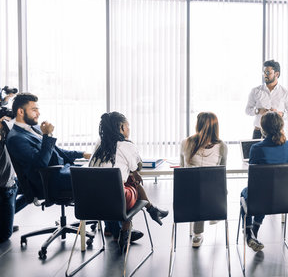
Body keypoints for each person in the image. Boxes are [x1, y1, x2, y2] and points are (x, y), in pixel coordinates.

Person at [89, 112, 168, 251]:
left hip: (92, 203)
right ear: (121, 127)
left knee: (119, 186)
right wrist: (134, 172)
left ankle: (150, 212)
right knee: (130, 183)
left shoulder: (98, 148)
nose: (129, 129)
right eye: (128, 126)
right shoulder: (126, 146)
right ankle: (127, 231)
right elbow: (137, 166)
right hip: (117, 202)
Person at [6, 93, 91, 198]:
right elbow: (41, 163)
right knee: (96, 179)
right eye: (34, 110)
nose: (38, 113)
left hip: (63, 170)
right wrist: (47, 135)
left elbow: (56, 150)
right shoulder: (16, 138)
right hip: (51, 180)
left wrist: (82, 154)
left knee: (97, 170)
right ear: (21, 111)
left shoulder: (35, 128)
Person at [240, 112, 288, 252]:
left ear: (263, 129)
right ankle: (255, 230)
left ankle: (248, 233)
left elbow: (253, 177)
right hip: (286, 199)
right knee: (266, 190)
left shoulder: (256, 148)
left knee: (250, 192)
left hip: (261, 199)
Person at [180, 112, 227, 248]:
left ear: (198, 125)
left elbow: (182, 169)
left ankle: (197, 234)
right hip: (213, 199)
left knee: (197, 191)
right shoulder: (222, 146)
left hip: (187, 196)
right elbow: (222, 173)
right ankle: (210, 219)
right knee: (209, 190)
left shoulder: (185, 142)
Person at [245, 60, 288, 139]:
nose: (265, 75)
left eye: (268, 73)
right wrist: (258, 111)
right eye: (264, 72)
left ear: (276, 74)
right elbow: (247, 110)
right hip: (258, 132)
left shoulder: (286, 93)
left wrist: (280, 114)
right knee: (254, 151)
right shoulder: (255, 91)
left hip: (277, 134)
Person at [0, 115, 27, 243]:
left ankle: (5, 217)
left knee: (33, 188)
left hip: (13, 183)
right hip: (4, 190)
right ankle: (5, 220)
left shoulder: (11, 135)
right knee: (5, 235)